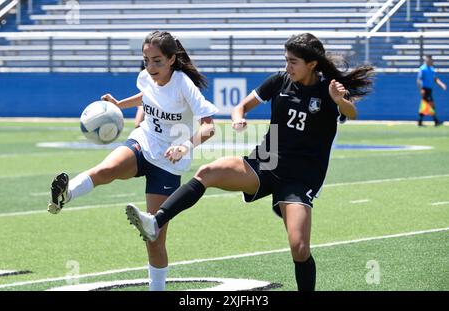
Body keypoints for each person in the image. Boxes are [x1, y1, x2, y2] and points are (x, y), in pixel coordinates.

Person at [125, 33, 374, 291]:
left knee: (299, 248)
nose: (287, 67)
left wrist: (339, 100)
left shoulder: (328, 89)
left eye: (293, 62)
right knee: (208, 171)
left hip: (300, 179)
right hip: (264, 162)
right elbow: (241, 106)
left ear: (311, 64)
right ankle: (156, 222)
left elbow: (351, 113)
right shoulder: (280, 80)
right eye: (286, 60)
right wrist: (238, 117)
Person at [47, 30, 218, 291]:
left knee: (154, 237)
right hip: (144, 140)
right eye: (146, 60)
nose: (150, 67)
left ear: (172, 59)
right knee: (108, 168)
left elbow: (209, 127)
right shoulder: (146, 77)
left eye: (157, 60)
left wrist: (185, 146)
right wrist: (119, 104)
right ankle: (65, 195)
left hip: (168, 162)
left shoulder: (184, 84)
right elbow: (146, 97)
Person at [417, 55, 447, 127]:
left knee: (425, 105)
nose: (430, 61)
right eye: (428, 60)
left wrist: (442, 85)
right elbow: (419, 79)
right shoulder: (422, 69)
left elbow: (435, 79)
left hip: (429, 90)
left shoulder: (432, 69)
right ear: (426, 60)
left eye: (431, 60)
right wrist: (421, 89)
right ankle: (435, 121)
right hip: (425, 89)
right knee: (431, 105)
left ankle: (420, 122)